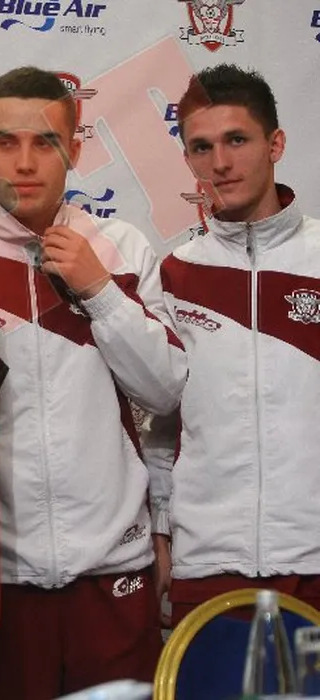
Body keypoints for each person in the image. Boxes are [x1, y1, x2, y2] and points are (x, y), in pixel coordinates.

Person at [0, 66, 187, 699]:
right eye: (6, 142)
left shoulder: (119, 246)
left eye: (46, 143)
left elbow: (165, 392)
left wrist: (99, 290)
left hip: (115, 569)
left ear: (75, 151)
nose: (25, 163)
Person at [151, 64, 320, 626]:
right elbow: (164, 425)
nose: (220, 163)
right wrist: (160, 528)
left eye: (237, 140)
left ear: (276, 144)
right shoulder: (176, 273)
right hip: (209, 563)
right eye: (202, 147)